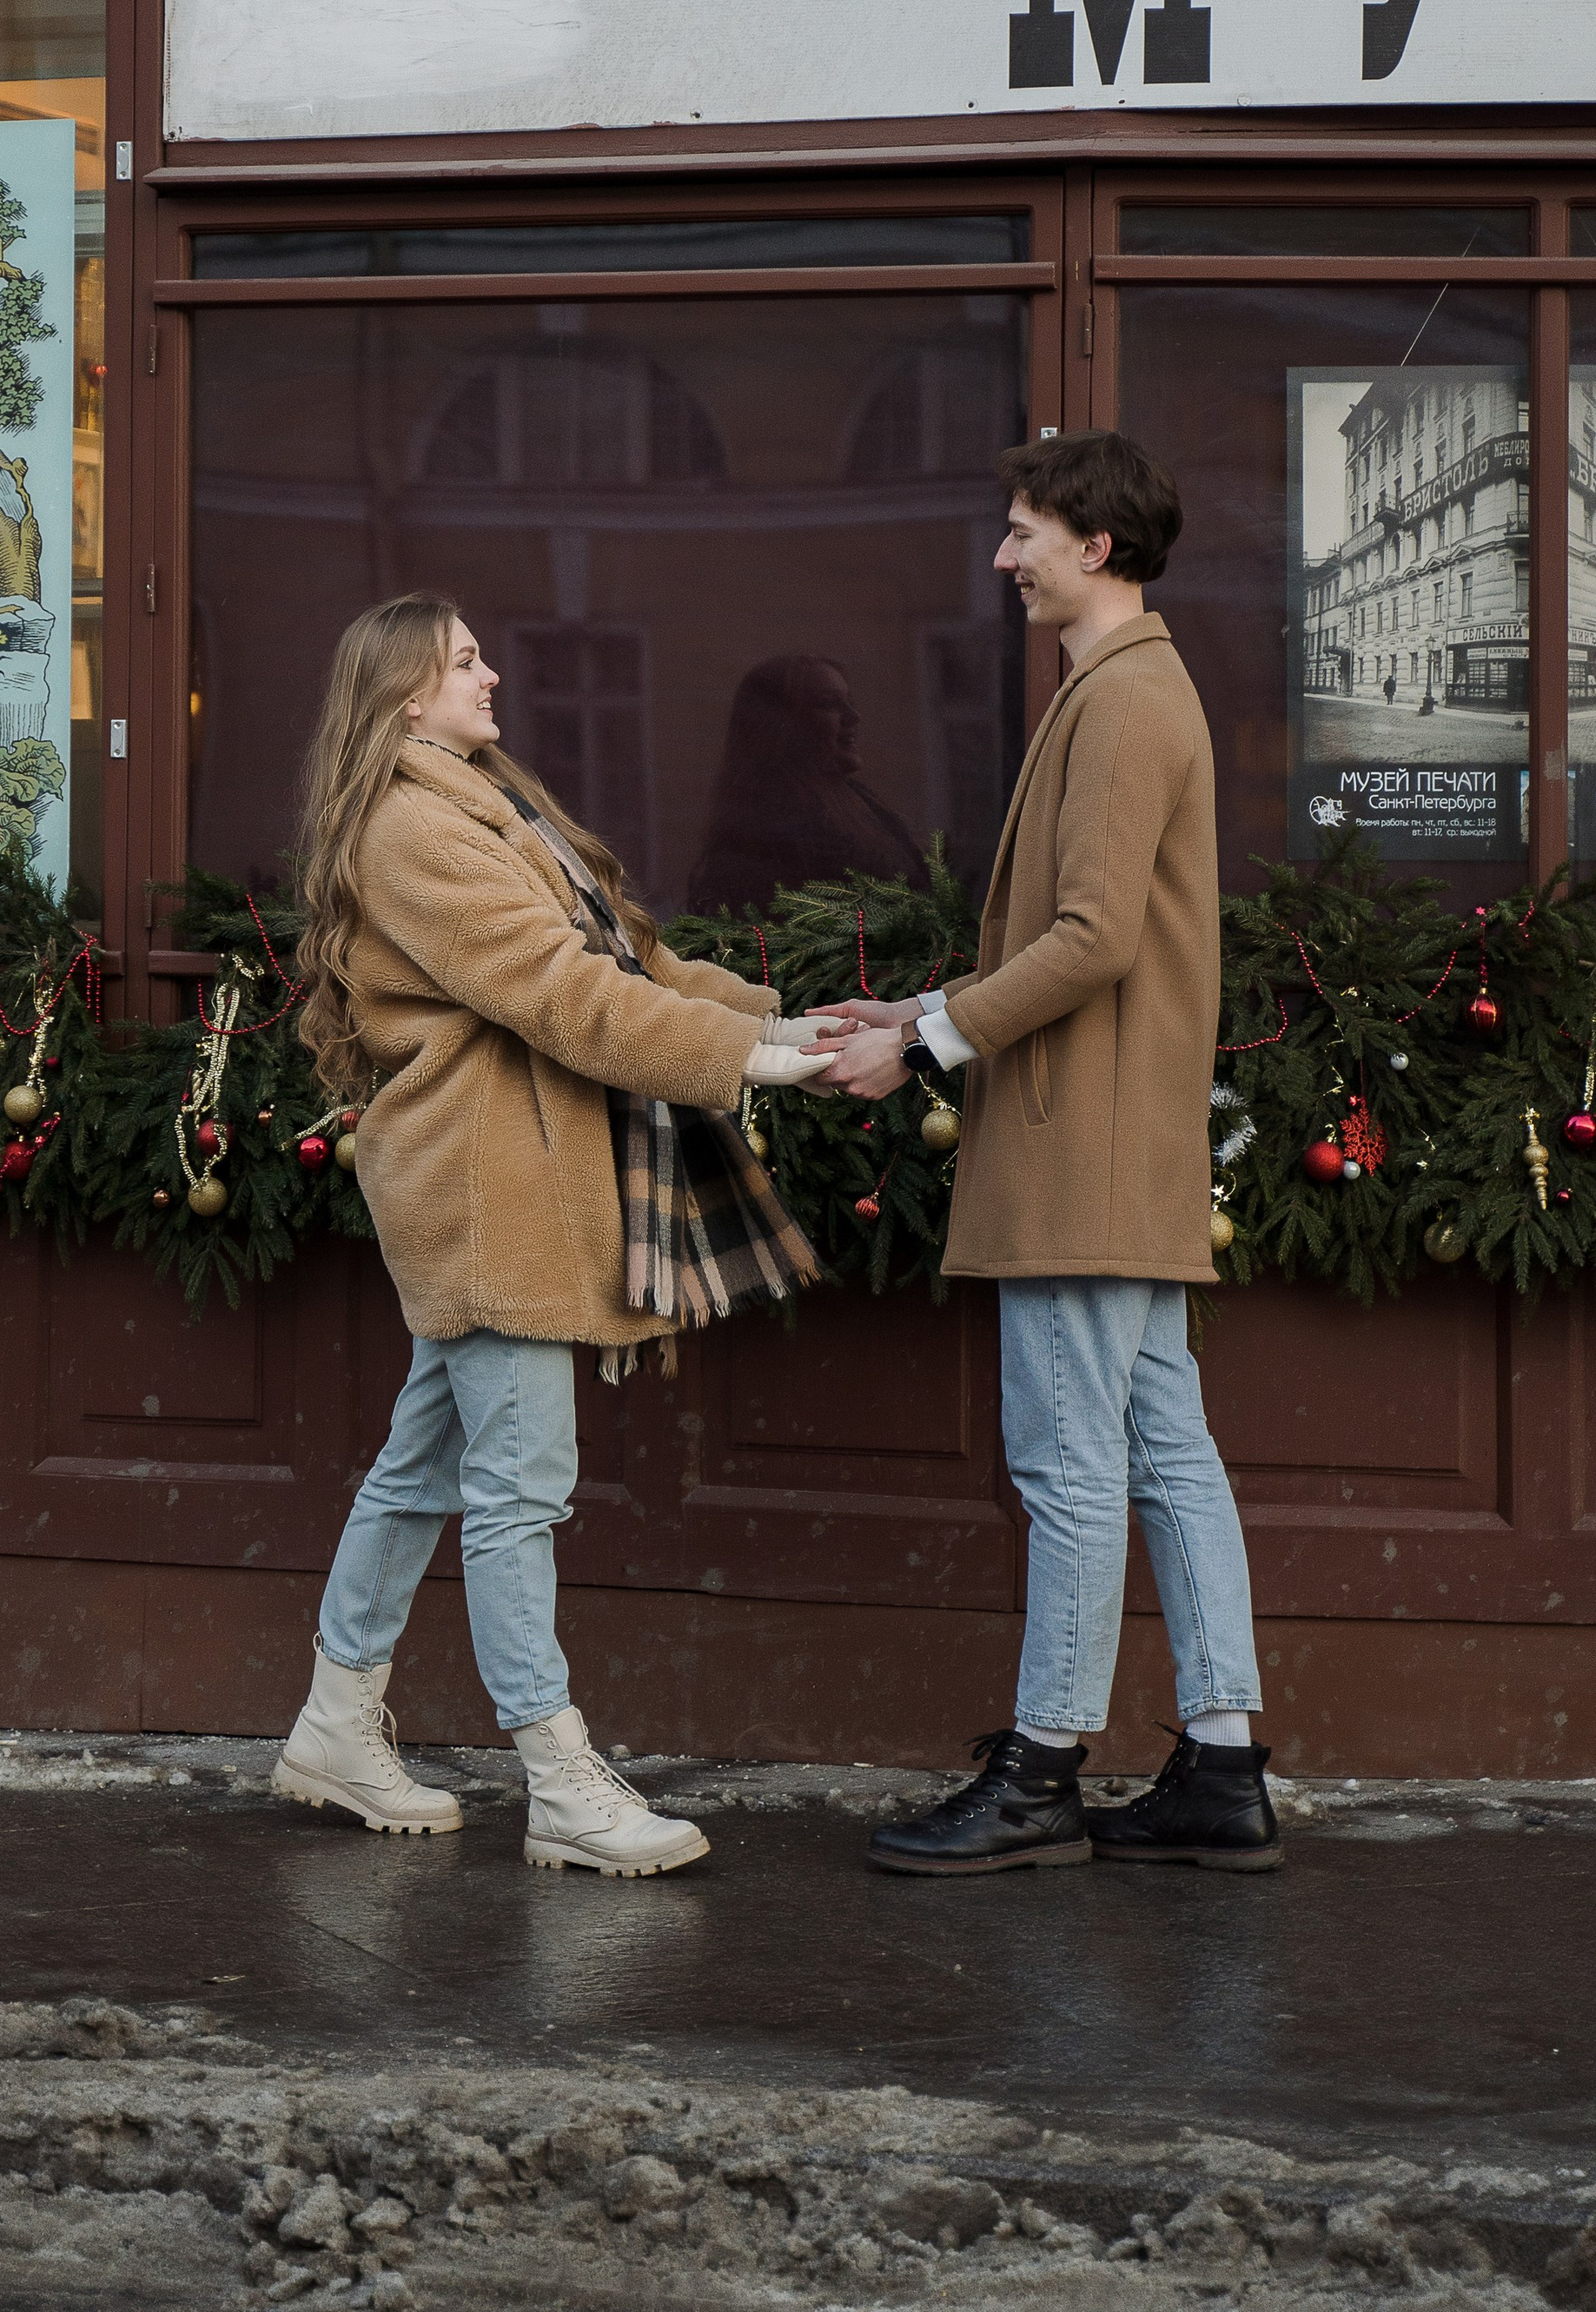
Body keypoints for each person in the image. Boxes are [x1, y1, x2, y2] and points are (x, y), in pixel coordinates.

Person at [273, 593, 831, 1878]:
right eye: (465, 662)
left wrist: (785, 1027)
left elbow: (627, 961)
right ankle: (560, 1777)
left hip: (506, 1174)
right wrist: (745, 1058)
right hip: (487, 1187)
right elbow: (561, 995)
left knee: (424, 1470)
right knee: (520, 1491)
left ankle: (335, 1724)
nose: (494, 677)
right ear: (404, 695)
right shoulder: (412, 826)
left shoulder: (487, 803)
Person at [816, 434, 1281, 1878]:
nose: (1004, 556)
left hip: (1081, 1150)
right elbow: (1070, 940)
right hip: (1112, 1144)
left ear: (1094, 546)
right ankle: (1220, 1766)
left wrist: (927, 1046)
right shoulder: (1127, 689)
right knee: (1164, 1454)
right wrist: (919, 1004)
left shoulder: (1126, 701)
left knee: (1073, 1465)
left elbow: (1090, 943)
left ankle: (1040, 1773)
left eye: (1022, 532)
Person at [686, 653, 926, 914]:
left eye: (850, 703)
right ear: (779, 726)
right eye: (828, 704)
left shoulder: (858, 804)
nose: (853, 717)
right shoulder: (770, 831)